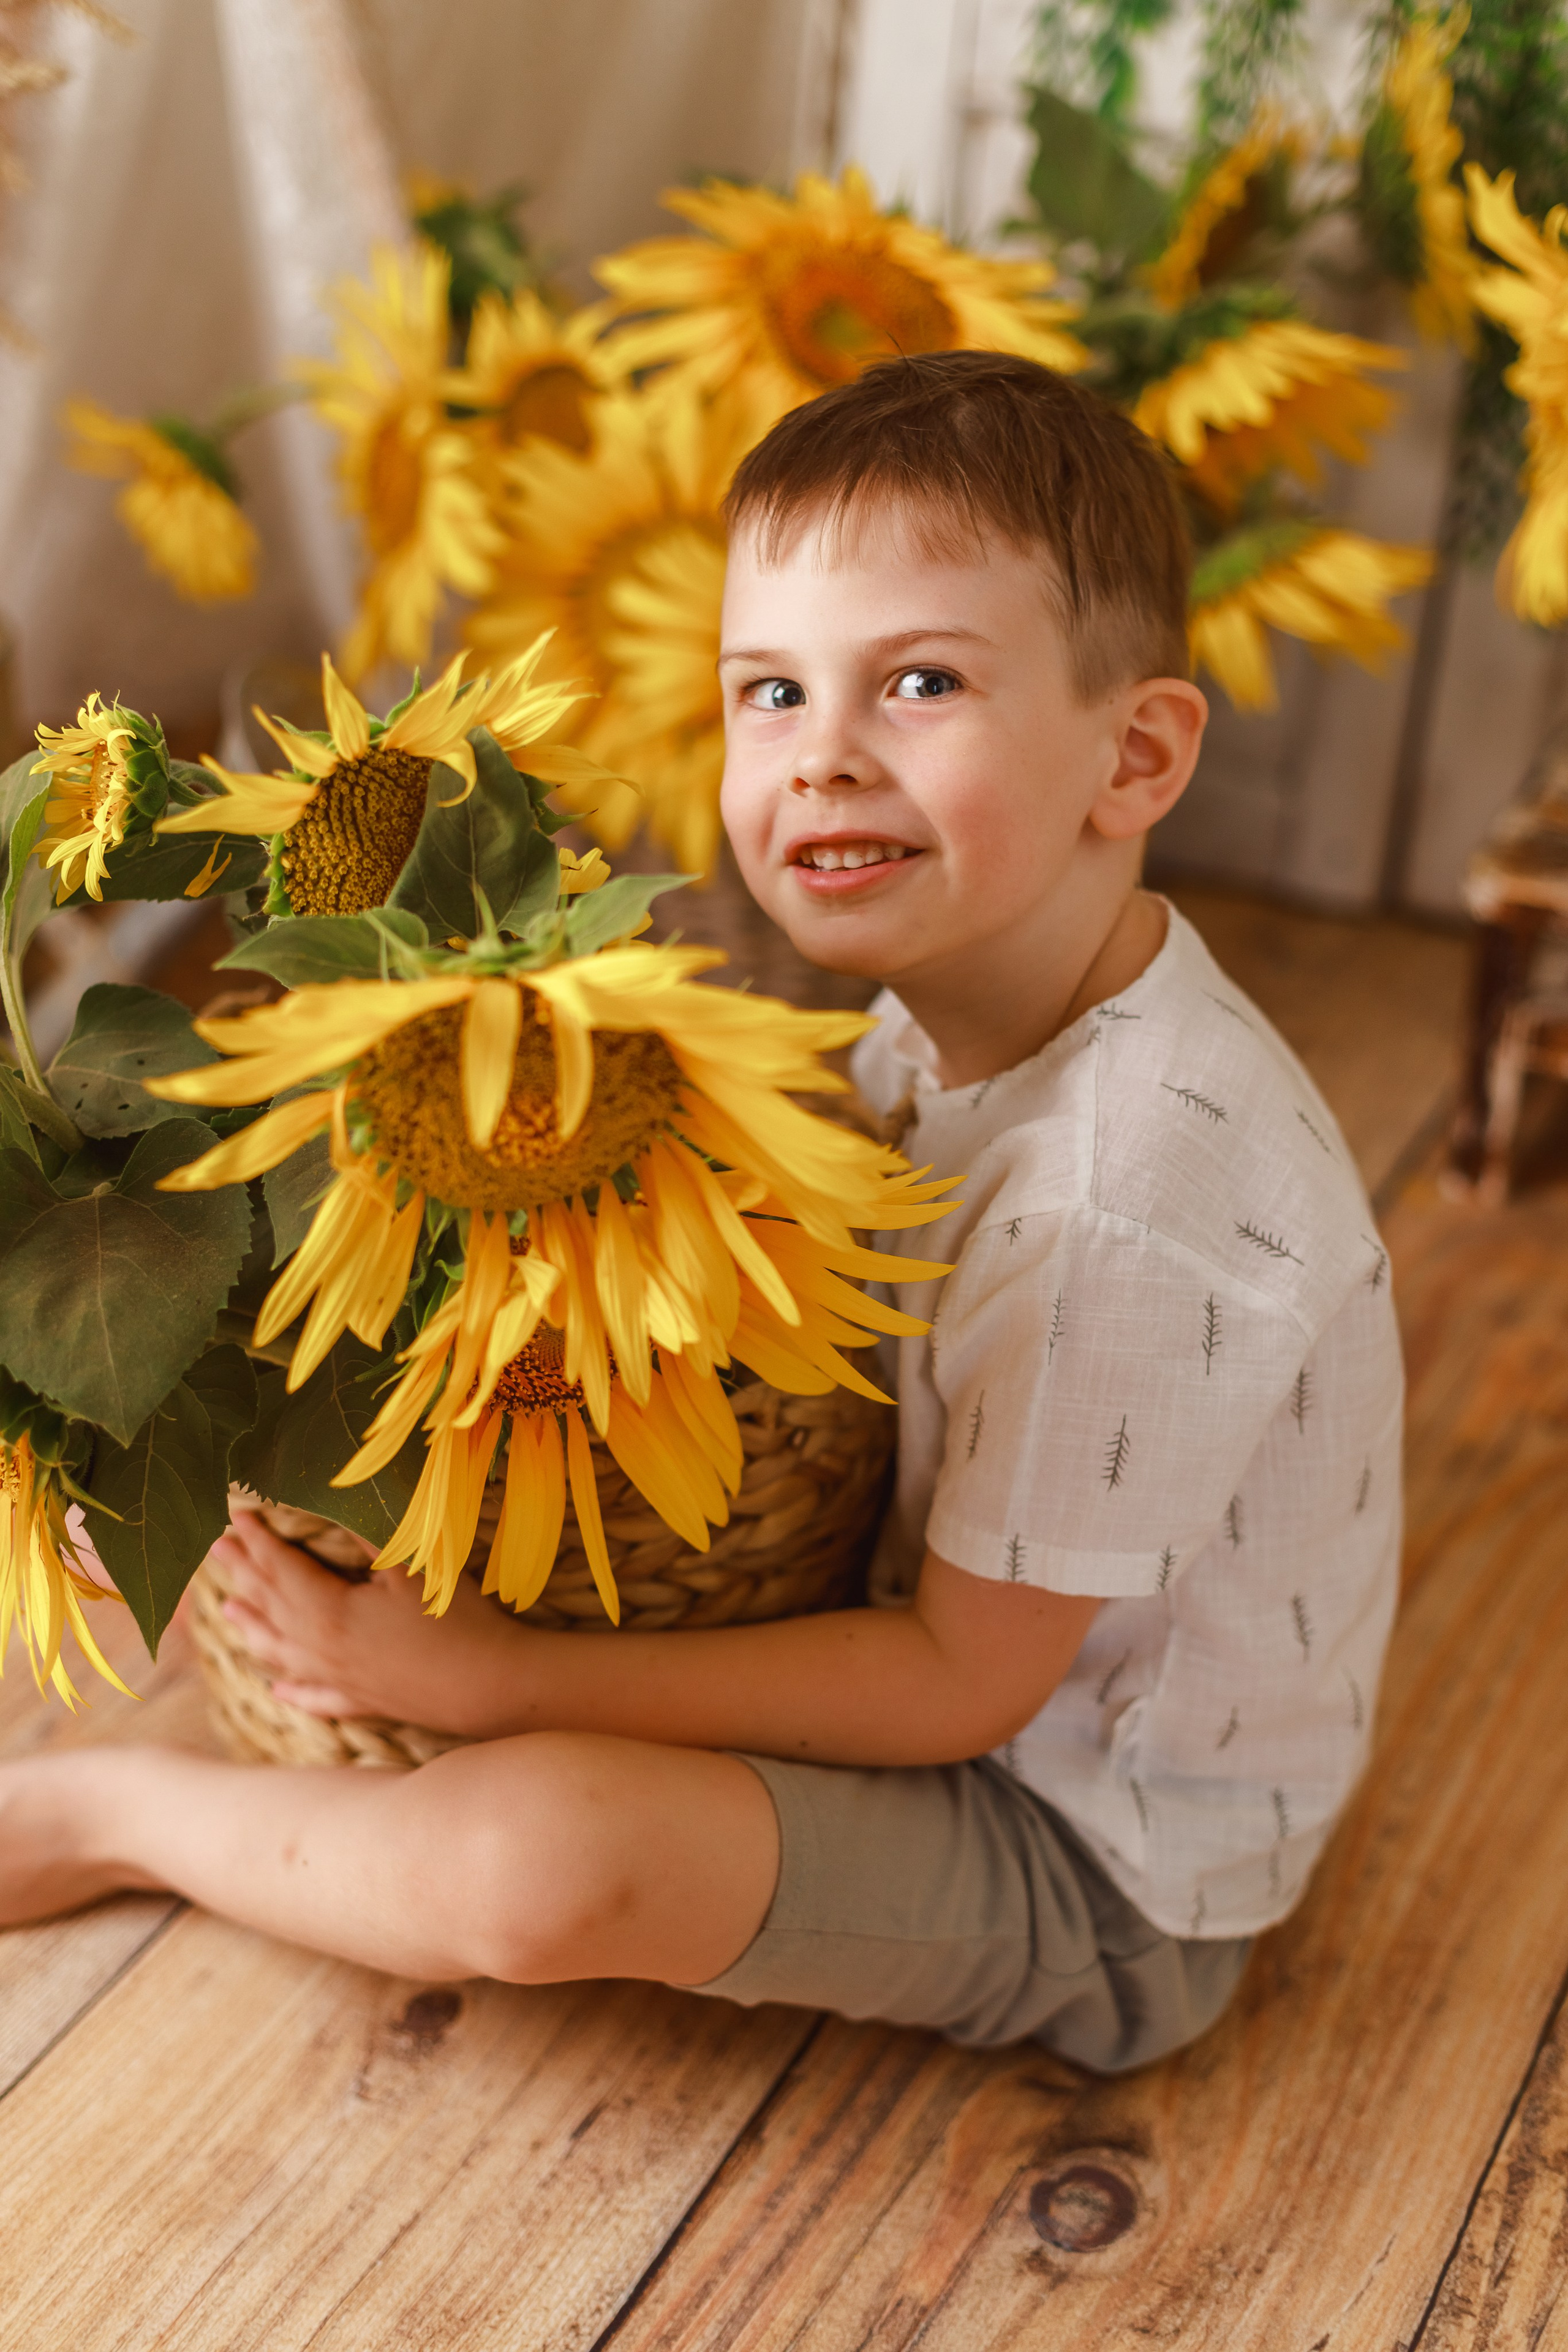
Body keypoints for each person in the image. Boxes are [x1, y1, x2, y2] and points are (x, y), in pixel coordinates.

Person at [0, 353, 1402, 2073]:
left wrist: (492, 1680)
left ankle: (126, 1816)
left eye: (922, 682)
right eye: (770, 692)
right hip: (898, 1586)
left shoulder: (1134, 1204)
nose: (819, 761)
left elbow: (963, 1685)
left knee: (544, 1857)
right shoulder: (966, 1003)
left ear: (1138, 753)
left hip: (1091, 1847)